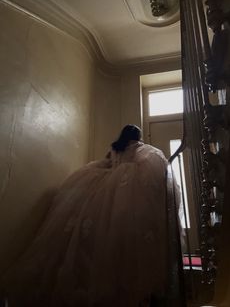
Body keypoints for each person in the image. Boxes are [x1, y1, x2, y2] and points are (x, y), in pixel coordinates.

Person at [0, 124, 182, 307]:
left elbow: (106, 163)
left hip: (108, 191)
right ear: (137, 136)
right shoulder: (138, 147)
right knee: (122, 234)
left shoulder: (115, 147)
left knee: (94, 238)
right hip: (123, 194)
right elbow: (149, 163)